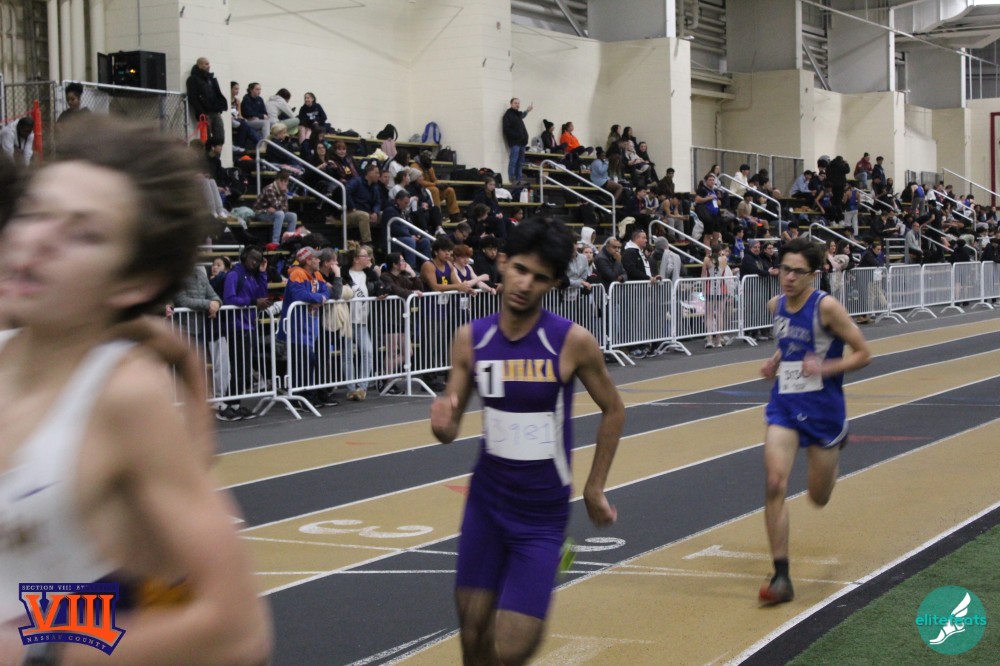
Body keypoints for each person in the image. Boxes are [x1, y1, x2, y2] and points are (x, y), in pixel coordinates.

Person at [0, 116, 271, 663]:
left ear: (136, 281)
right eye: (34, 212)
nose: (39, 240)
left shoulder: (122, 394)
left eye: (85, 233)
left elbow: (237, 627)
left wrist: (35, 651)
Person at [430, 217, 624, 666]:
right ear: (502, 263)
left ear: (552, 283)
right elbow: (448, 430)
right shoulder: (472, 339)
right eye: (518, 269)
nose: (523, 283)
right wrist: (442, 421)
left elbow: (614, 409)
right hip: (486, 506)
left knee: (511, 648)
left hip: (540, 517)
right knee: (473, 635)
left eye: (538, 277)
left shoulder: (571, 342)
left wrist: (595, 487)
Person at [758, 236, 871, 605]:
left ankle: (836, 446)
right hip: (785, 405)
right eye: (784, 269)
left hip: (823, 410)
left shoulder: (828, 308)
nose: (789, 277)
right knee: (775, 482)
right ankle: (781, 577)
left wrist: (825, 366)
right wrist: (776, 360)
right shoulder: (776, 305)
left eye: (798, 271)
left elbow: (863, 353)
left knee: (818, 498)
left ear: (813, 274)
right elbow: (788, 342)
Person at [185, 57, 228, 141]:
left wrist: (220, 107)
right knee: (206, 139)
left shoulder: (210, 79)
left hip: (215, 111)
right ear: (199, 66)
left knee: (220, 138)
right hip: (205, 113)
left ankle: (217, 149)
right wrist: (201, 112)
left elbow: (217, 93)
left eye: (209, 64)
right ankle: (207, 150)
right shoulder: (193, 79)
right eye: (206, 64)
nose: (209, 66)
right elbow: (193, 98)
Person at [502, 97, 533, 185]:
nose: (517, 105)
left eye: (518, 103)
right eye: (515, 103)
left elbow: (522, 115)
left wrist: (527, 110)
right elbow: (507, 129)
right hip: (515, 142)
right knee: (513, 160)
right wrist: (516, 136)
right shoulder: (508, 115)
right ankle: (512, 178)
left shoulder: (517, 115)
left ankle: (519, 177)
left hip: (522, 142)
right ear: (511, 104)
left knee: (520, 161)